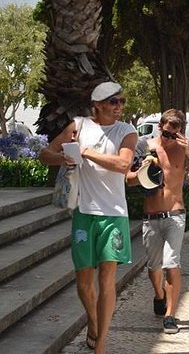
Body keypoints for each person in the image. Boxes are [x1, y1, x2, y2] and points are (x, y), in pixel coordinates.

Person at [39, 82, 138, 353]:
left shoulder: (126, 131)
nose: (119, 106)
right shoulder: (79, 125)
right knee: (83, 283)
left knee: (107, 279)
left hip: (114, 214)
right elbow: (45, 154)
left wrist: (84, 152)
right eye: (113, 102)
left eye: (121, 101)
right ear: (97, 105)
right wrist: (64, 158)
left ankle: (101, 342)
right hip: (84, 212)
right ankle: (93, 322)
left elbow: (123, 164)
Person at [127, 109, 189, 334]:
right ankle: (159, 295)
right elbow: (128, 180)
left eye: (174, 135)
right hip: (151, 216)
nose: (169, 139)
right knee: (154, 267)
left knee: (172, 264)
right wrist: (142, 171)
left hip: (175, 214)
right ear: (160, 127)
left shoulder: (184, 150)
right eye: (166, 133)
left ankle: (170, 315)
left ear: (181, 132)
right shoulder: (145, 146)